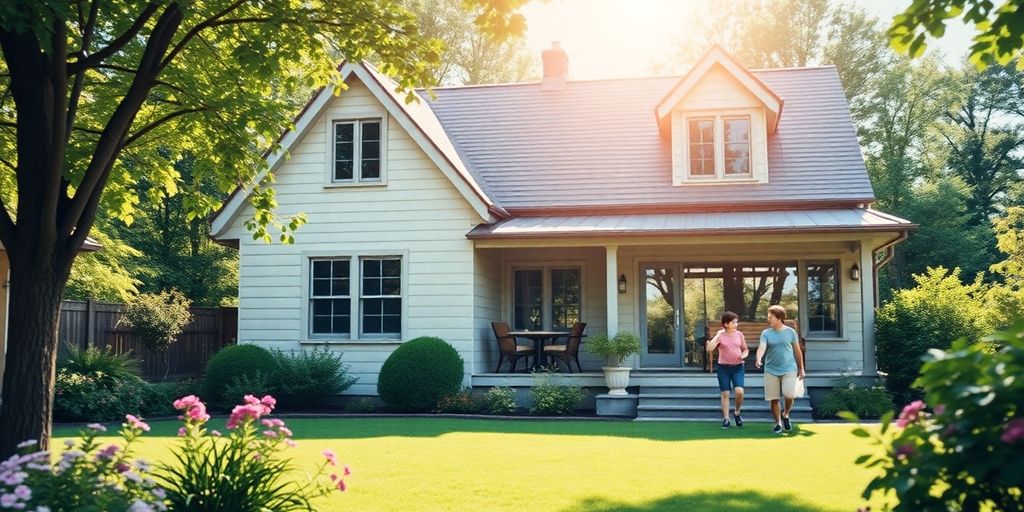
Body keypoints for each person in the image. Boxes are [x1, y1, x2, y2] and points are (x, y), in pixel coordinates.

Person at [755, 304, 804, 434]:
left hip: (789, 368)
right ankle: (778, 423)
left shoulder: (790, 332)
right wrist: (759, 358)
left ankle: (786, 413)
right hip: (771, 369)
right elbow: (762, 347)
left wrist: (801, 369)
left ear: (779, 318)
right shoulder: (766, 333)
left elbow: (797, 351)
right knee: (774, 398)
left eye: (770, 317)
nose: (768, 319)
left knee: (789, 394)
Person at [706, 311, 749, 429]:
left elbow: (745, 349)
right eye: (733, 322)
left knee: (739, 391)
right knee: (725, 393)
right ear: (726, 324)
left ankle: (737, 412)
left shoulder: (739, 335)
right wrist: (717, 335)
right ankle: (726, 419)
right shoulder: (720, 335)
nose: (736, 324)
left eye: (736, 322)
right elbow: (709, 348)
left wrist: (744, 355)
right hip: (723, 368)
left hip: (738, 367)